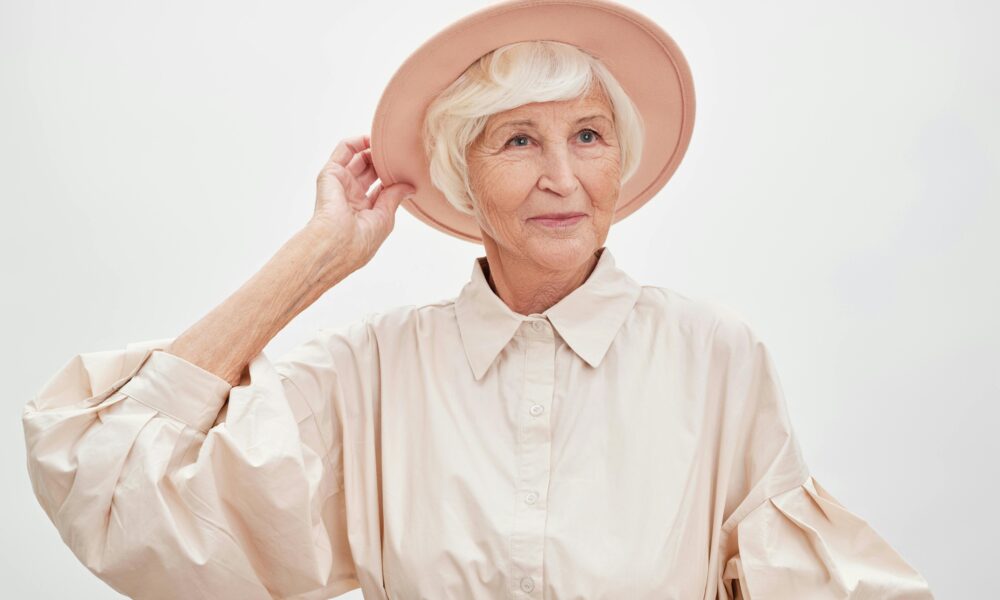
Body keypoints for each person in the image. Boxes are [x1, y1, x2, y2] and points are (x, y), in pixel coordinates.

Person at [22, 1, 934, 598]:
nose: (563, 177)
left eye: (589, 135)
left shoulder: (714, 355)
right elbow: (106, 482)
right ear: (463, 171)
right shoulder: (371, 372)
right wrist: (316, 258)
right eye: (519, 141)